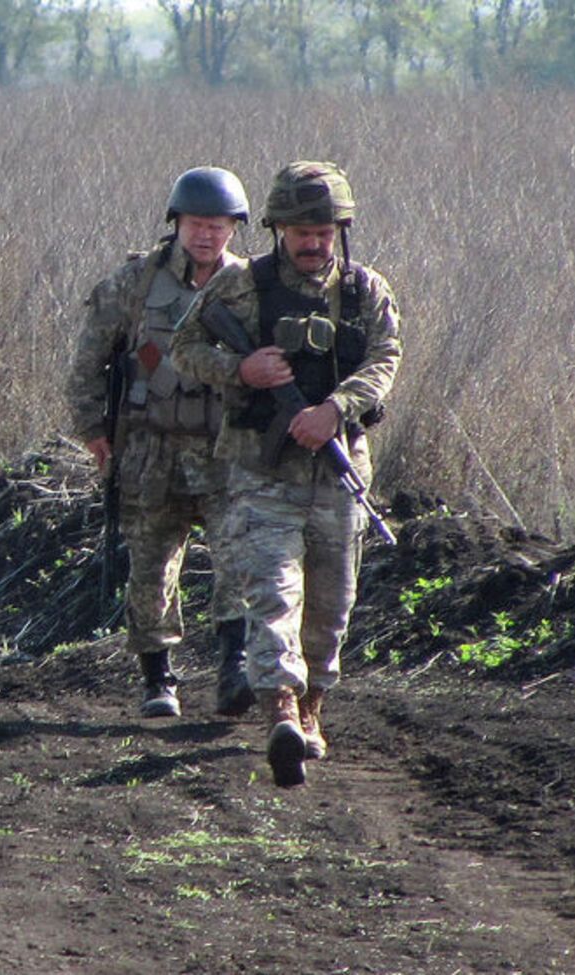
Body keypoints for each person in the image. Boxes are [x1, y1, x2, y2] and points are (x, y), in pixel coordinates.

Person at [172, 161, 401, 787]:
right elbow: (184, 349)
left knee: (330, 606)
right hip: (260, 472)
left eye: (324, 229)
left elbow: (385, 360)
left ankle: (311, 708)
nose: (313, 242)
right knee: (273, 594)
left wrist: (335, 410)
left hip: (338, 469)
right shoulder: (242, 286)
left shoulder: (362, 291)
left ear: (341, 230)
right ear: (277, 229)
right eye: (301, 230)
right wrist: (241, 372)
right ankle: (280, 711)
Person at [66, 166, 256, 720]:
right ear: (176, 223)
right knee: (151, 568)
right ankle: (158, 679)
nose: (206, 235)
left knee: (236, 561)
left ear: (234, 229)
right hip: (149, 449)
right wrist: (93, 430)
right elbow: (89, 361)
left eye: (218, 226)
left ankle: (234, 669)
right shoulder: (136, 284)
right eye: (197, 224)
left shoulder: (248, 287)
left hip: (224, 451)